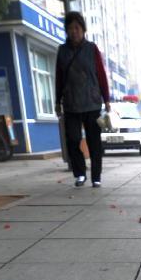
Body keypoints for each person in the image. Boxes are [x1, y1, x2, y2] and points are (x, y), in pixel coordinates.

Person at [55, 11, 111, 188]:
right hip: (71, 104)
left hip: (92, 102)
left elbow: (101, 74)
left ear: (83, 29)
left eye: (77, 28)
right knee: (72, 139)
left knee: (94, 142)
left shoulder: (91, 49)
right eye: (70, 28)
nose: (74, 32)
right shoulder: (62, 51)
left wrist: (106, 98)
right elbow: (59, 77)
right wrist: (58, 101)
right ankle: (79, 173)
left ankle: (96, 176)